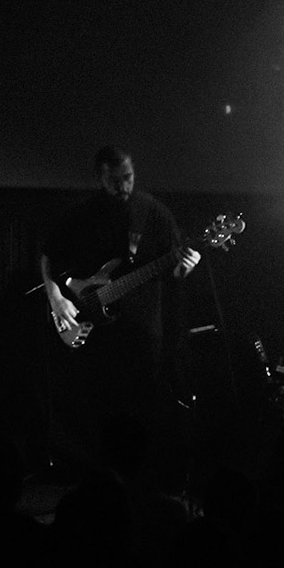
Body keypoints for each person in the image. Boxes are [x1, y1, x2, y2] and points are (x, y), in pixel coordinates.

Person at [37, 146, 201, 469]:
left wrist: (185, 268)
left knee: (143, 404)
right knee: (95, 406)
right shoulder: (82, 214)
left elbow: (174, 271)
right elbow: (48, 257)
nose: (123, 186)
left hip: (142, 331)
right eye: (114, 181)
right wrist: (56, 299)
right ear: (100, 179)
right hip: (94, 334)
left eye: (128, 177)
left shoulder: (153, 212)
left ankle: (138, 472)